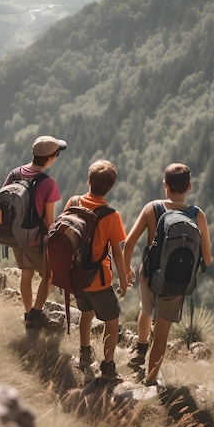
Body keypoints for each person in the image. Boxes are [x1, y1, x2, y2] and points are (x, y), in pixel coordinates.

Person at [124, 163, 212, 386]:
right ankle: (150, 381)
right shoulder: (197, 214)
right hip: (176, 282)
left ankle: (140, 349)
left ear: (165, 186)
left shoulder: (152, 208)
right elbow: (208, 259)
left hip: (148, 276)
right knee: (162, 335)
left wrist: (126, 271)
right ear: (189, 187)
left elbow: (129, 243)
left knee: (146, 311)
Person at [66, 159, 129, 382]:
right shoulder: (111, 215)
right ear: (110, 187)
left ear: (88, 180)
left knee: (86, 313)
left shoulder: (73, 201)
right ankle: (108, 366)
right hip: (99, 279)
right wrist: (123, 280)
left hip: (77, 275)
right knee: (112, 320)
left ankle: (84, 355)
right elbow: (118, 252)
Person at [3, 135, 67, 330]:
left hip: (14, 236)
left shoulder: (14, 174)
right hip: (36, 240)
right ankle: (35, 315)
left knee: (26, 273)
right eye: (56, 154)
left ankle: (28, 311)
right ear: (50, 158)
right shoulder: (48, 183)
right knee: (50, 276)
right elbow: (49, 220)